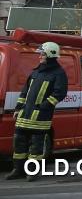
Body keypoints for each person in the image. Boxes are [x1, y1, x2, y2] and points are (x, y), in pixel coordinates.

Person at [6, 42, 68, 182]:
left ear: (50, 55)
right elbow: (25, 91)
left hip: (40, 116)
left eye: (42, 54)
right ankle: (18, 170)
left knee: (36, 146)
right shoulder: (36, 71)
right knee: (19, 143)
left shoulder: (59, 73)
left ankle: (32, 172)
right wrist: (18, 108)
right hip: (24, 114)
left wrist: (43, 106)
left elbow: (60, 93)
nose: (39, 56)